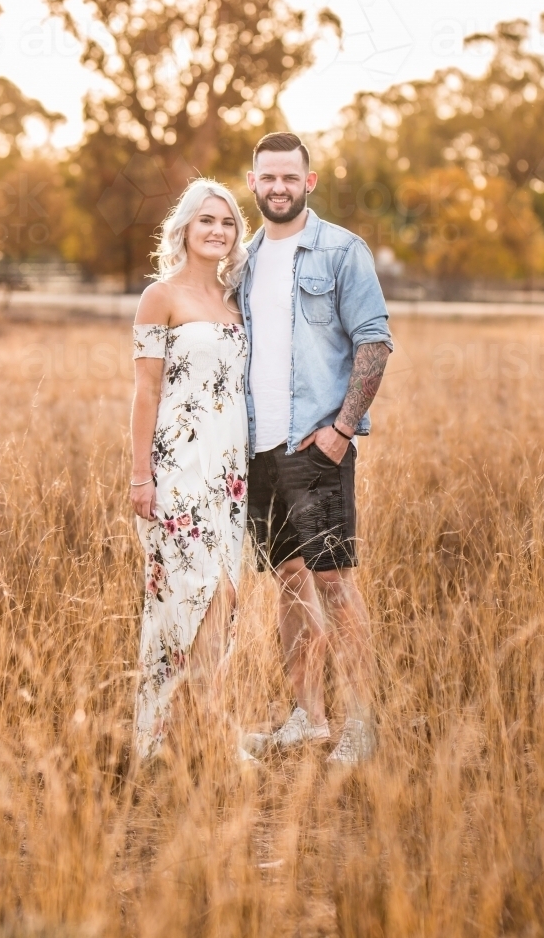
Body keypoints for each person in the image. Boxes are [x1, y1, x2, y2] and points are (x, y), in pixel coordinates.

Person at [239, 132, 393, 765]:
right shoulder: (243, 257)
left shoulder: (340, 250)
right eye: (267, 178)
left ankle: (362, 723)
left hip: (316, 448)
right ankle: (307, 717)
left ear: (310, 182)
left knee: (333, 583)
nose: (278, 187)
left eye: (289, 177)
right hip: (259, 448)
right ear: (253, 184)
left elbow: (375, 343)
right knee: (291, 583)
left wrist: (340, 429)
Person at [130, 178, 251, 762]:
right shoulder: (161, 296)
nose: (217, 231)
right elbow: (144, 393)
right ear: (184, 227)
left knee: (225, 596)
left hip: (231, 473)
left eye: (227, 223)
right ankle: (161, 739)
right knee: (183, 599)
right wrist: (139, 477)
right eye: (206, 220)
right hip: (178, 467)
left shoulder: (235, 302)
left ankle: (203, 732)